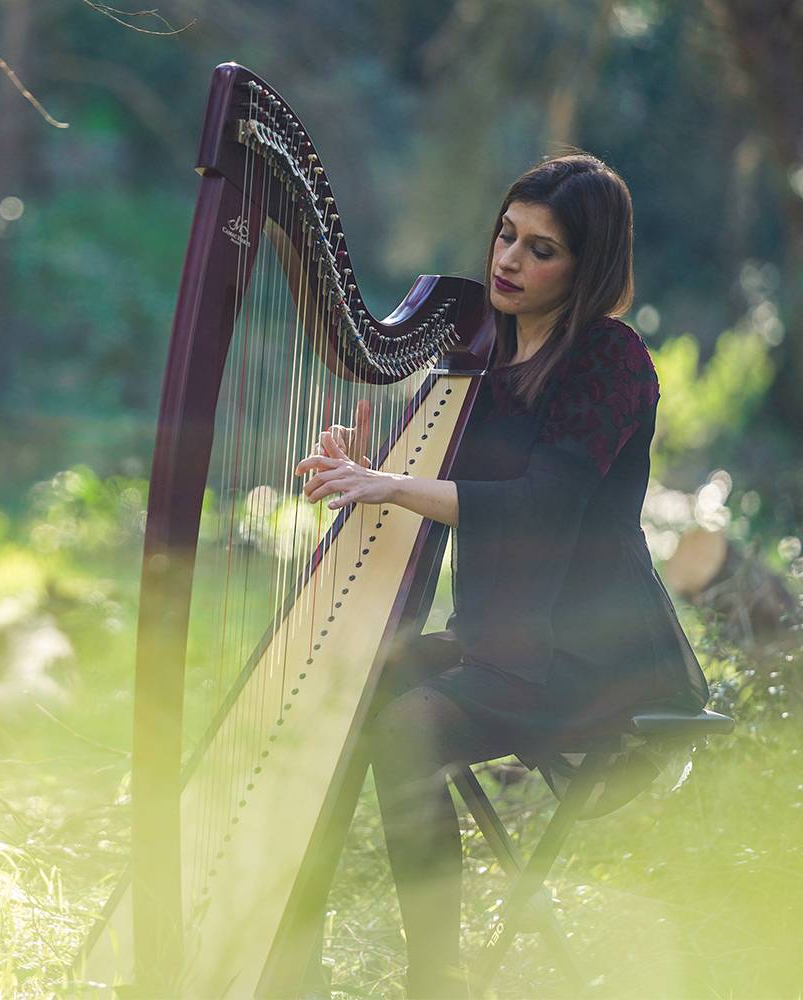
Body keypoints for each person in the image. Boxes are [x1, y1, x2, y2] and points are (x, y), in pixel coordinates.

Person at [293, 152, 711, 997]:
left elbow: (542, 502)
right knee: (347, 680)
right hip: (503, 642)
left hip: (594, 655)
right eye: (506, 235)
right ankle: (293, 937)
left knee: (406, 728)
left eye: (542, 249)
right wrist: (363, 468)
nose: (510, 260)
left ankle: (434, 978)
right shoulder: (482, 356)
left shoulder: (611, 361)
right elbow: (450, 483)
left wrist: (393, 485)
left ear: (588, 266)